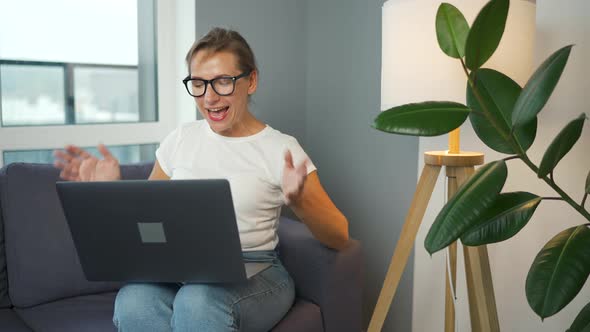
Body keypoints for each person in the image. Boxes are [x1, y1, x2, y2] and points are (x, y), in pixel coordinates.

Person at [53, 27, 349, 332]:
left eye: (223, 82)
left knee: (197, 301)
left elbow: (339, 236)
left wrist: (300, 200)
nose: (209, 98)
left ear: (252, 81)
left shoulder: (281, 148)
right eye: (198, 83)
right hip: (182, 268)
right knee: (134, 300)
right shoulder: (181, 138)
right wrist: (110, 192)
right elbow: (148, 218)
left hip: (257, 271)